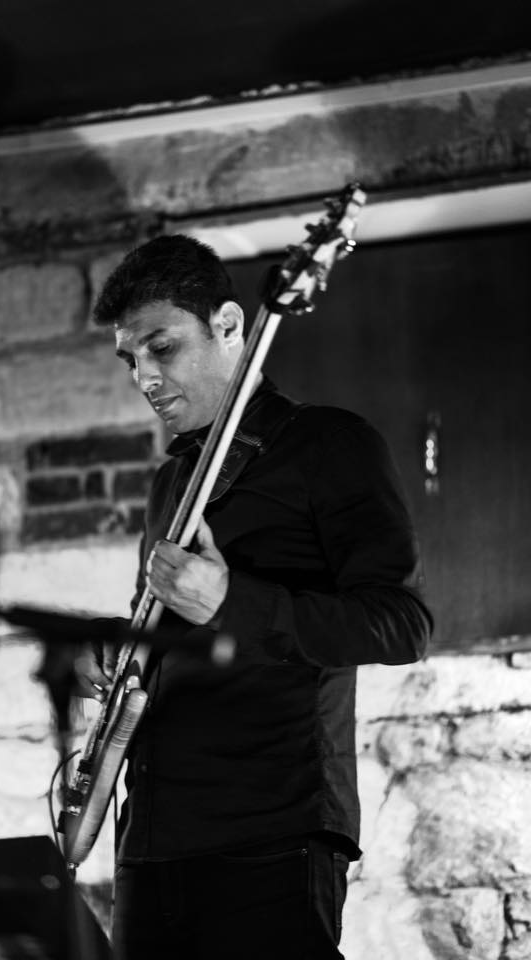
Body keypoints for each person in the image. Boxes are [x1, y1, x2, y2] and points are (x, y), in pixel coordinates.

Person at [78, 234, 432, 959]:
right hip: (152, 836)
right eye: (130, 359)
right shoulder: (171, 482)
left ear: (230, 325)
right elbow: (165, 633)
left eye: (162, 348)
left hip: (272, 828)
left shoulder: (329, 444)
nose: (144, 377)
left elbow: (402, 625)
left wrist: (230, 603)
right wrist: (117, 650)